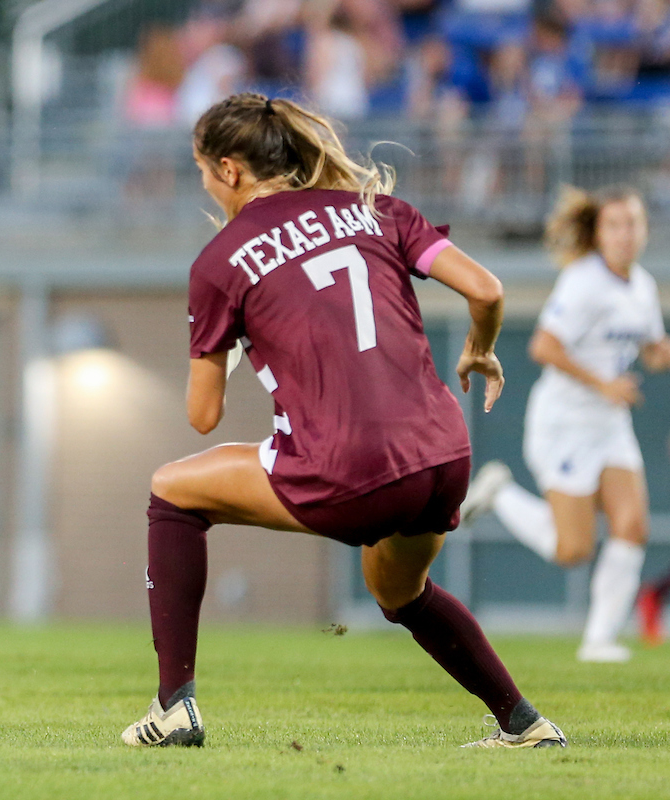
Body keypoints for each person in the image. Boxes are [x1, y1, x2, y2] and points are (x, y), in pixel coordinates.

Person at [122, 92, 565, 749]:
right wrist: (480, 347)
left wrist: (240, 337)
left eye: (202, 170)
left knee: (172, 490)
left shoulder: (222, 261)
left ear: (231, 170)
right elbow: (487, 289)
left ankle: (173, 709)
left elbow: (203, 415)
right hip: (443, 458)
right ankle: (526, 725)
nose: (204, 184)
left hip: (346, 469)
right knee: (398, 591)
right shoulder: (376, 211)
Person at [463, 186, 670, 663]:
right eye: (614, 225)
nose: (625, 234)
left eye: (633, 224)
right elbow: (544, 346)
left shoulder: (640, 285)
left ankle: (599, 640)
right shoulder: (583, 281)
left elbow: (652, 350)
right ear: (598, 233)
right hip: (565, 423)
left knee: (632, 526)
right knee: (572, 549)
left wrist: (658, 353)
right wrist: (603, 385)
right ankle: (500, 495)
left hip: (609, 423)